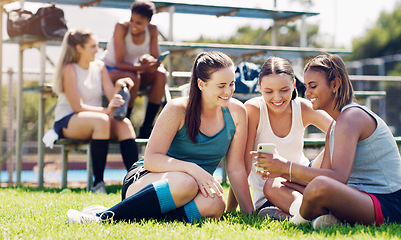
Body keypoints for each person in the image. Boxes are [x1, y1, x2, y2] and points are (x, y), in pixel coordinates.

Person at [67, 51, 254, 224]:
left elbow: (236, 168)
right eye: (221, 86)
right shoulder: (177, 109)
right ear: (201, 84)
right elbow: (151, 160)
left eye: (231, 84)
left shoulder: (237, 112)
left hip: (191, 190)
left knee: (215, 204)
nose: (228, 91)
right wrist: (192, 169)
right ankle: (104, 217)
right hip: (147, 181)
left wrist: (249, 214)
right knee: (185, 182)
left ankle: (131, 215)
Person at [253, 53, 401, 228]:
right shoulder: (335, 126)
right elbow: (323, 175)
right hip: (356, 196)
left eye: (313, 86)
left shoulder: (352, 117)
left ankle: (296, 220)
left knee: (320, 186)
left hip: (386, 205)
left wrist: (286, 166)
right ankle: (324, 218)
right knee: (273, 184)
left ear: (334, 84)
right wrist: (281, 172)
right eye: (306, 86)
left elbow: (337, 178)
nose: (307, 93)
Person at [226, 57, 332, 220]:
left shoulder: (302, 107)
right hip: (272, 195)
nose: (277, 98)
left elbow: (339, 131)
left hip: (302, 182)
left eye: (284, 90)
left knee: (336, 143)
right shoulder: (253, 109)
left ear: (294, 86)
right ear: (259, 87)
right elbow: (243, 165)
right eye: (269, 91)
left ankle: (308, 213)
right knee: (273, 182)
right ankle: (309, 213)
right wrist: (232, 209)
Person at [52, 29, 138, 194]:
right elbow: (77, 107)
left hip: (98, 120)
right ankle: (98, 183)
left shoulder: (99, 67)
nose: (97, 50)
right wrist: (106, 111)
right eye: (92, 46)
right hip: (68, 120)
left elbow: (112, 96)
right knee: (102, 121)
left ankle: (136, 182)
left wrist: (120, 86)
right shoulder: (69, 69)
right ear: (79, 48)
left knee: (125, 125)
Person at [100, 0, 167, 139]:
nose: (133, 25)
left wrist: (148, 60)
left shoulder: (152, 30)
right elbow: (119, 63)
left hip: (131, 70)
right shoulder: (121, 27)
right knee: (133, 77)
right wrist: (144, 67)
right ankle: (125, 123)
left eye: (139, 23)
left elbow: (155, 58)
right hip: (109, 70)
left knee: (161, 75)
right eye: (132, 20)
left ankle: (147, 127)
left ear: (148, 21)